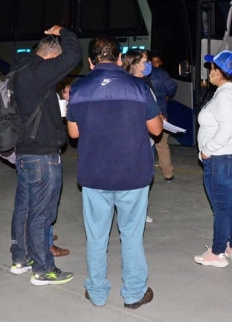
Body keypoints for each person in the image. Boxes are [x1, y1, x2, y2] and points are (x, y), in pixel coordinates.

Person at [66, 37, 162, 309]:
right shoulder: (138, 87)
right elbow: (156, 130)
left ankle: (97, 292)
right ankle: (133, 293)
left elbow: (73, 133)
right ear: (120, 59)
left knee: (96, 236)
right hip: (133, 174)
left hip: (94, 175)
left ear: (90, 61)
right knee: (131, 235)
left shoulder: (79, 89)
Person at [8, 25, 81, 285]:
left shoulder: (19, 70)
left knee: (24, 209)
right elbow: (73, 55)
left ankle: (20, 258)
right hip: (42, 157)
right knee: (42, 213)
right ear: (51, 56)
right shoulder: (38, 71)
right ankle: (43, 269)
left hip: (25, 153)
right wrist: (65, 31)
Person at [194, 50, 232, 268]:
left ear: (219, 72)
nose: (209, 71)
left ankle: (218, 253)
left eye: (212, 68)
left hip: (222, 157)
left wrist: (207, 150)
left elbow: (226, 129)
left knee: (221, 207)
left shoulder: (226, 95)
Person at [123, 49, 159, 223]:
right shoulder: (128, 85)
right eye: (145, 61)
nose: (148, 64)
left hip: (147, 140)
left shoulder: (145, 83)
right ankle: (132, 214)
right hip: (133, 140)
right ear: (135, 63)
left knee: (145, 179)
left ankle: (140, 211)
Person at [149, 51, 178, 182]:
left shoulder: (139, 73)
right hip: (161, 115)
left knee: (145, 144)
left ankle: (147, 173)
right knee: (162, 144)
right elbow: (172, 88)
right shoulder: (162, 73)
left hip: (144, 115)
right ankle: (168, 174)